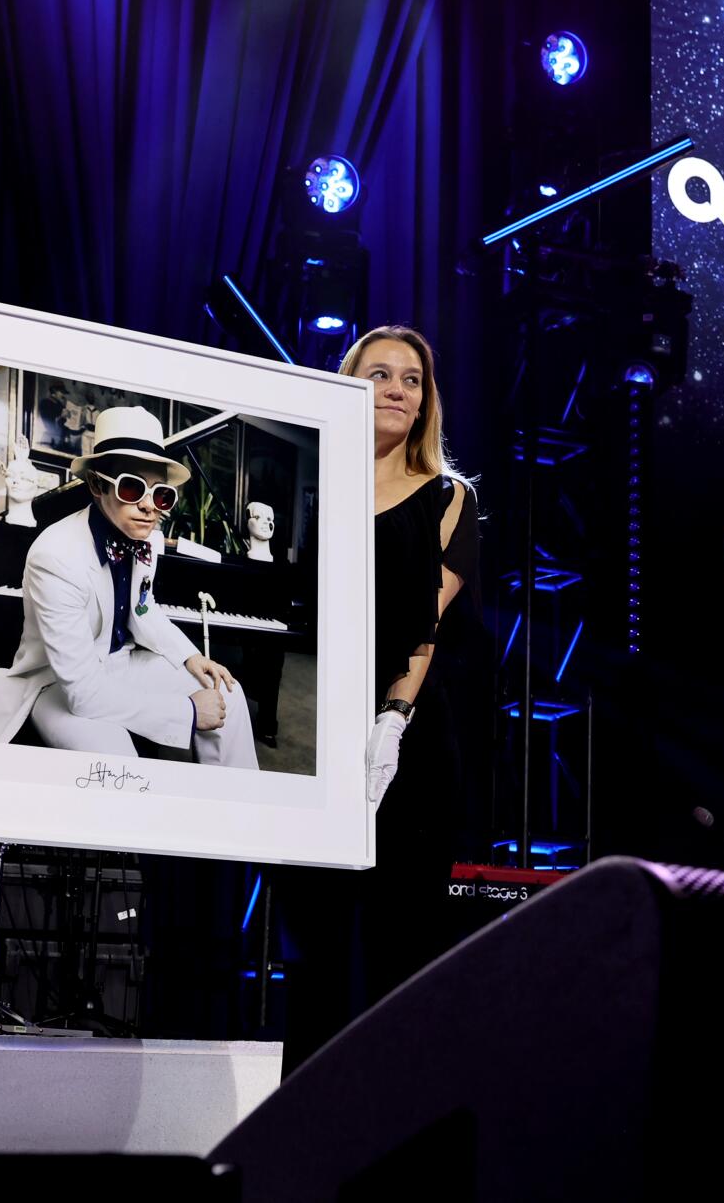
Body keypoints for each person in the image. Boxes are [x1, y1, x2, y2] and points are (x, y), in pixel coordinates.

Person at [280, 325, 480, 1076]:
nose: (398, 389)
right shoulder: (311, 484)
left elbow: (422, 626)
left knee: (403, 961)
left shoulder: (448, 498)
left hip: (408, 746)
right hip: (310, 734)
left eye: (413, 379)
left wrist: (393, 717)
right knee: (315, 958)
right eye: (380, 375)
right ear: (348, 384)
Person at [0, 405, 258, 768]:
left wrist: (191, 656)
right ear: (97, 484)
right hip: (56, 685)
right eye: (132, 487)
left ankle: (231, 816)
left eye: (160, 495)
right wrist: (187, 711)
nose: (148, 507)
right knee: (116, 759)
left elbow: (145, 608)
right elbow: (81, 691)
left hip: (122, 662)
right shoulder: (55, 556)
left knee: (227, 696)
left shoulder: (147, 538)